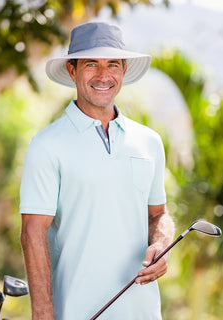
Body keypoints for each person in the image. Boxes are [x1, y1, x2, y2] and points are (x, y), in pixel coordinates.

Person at [20, 22, 175, 320]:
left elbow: (158, 214)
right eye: (92, 64)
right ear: (72, 71)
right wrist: (42, 312)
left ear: (124, 71)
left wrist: (161, 243)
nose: (104, 75)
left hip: (142, 312)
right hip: (76, 311)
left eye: (113, 64)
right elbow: (32, 232)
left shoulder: (149, 142)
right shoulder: (47, 145)